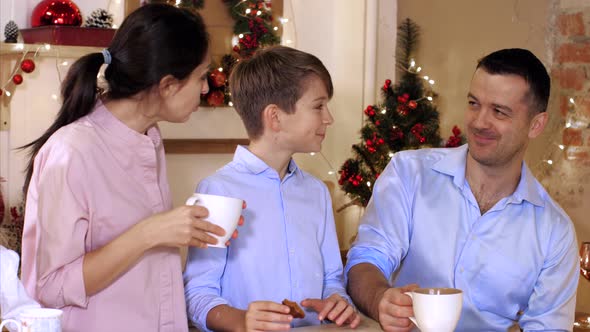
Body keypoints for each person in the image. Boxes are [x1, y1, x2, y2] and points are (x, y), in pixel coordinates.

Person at [20, 4, 242, 332]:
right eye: (200, 76)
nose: (207, 88)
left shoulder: (149, 137)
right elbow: (50, 286)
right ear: (167, 85)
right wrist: (149, 233)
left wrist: (184, 228)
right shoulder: (72, 151)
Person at [345, 48, 579, 330]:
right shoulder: (409, 173)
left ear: (536, 124)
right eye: (474, 103)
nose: (479, 122)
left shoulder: (554, 232)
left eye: (499, 111)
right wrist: (380, 298)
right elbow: (365, 260)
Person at [183, 45, 360, 331]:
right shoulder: (218, 191)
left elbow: (332, 280)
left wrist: (338, 302)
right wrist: (242, 321)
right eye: (318, 106)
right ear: (275, 117)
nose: (329, 118)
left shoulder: (316, 192)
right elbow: (198, 293)